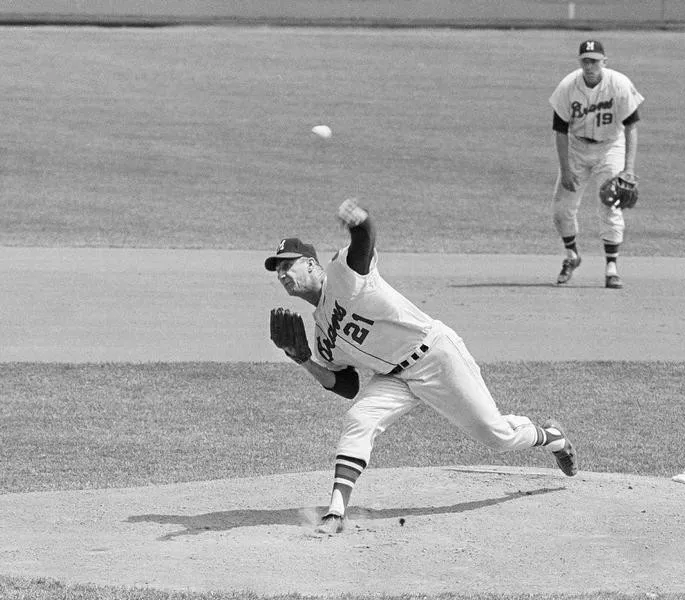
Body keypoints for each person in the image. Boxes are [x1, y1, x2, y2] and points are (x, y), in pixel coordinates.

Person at [265, 199, 577, 535]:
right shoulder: (321, 334)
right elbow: (347, 385)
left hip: (434, 355)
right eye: (277, 270)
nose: (282, 274)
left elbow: (364, 240)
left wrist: (359, 220)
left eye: (288, 265)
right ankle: (336, 512)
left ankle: (552, 438)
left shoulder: (343, 273)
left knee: (496, 436)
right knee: (359, 417)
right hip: (394, 378)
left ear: (312, 264)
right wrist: (304, 361)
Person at [548, 40, 644, 289]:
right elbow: (559, 132)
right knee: (561, 209)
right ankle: (572, 255)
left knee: (611, 205)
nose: (590, 65)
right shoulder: (568, 87)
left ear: (604, 61)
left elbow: (632, 127)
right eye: (585, 61)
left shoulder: (619, 84)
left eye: (595, 60)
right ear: (580, 62)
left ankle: (611, 267)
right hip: (577, 148)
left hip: (610, 146)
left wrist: (629, 168)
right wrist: (566, 169)